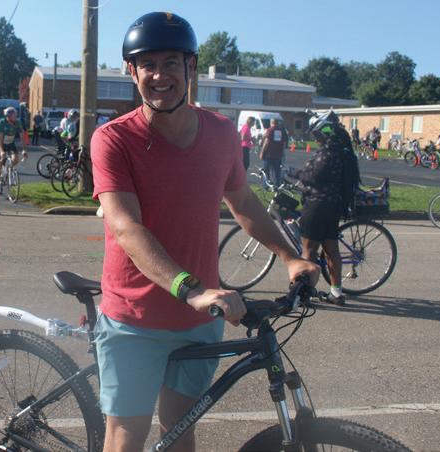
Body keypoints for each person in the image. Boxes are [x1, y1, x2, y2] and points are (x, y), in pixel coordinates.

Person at [91, 12, 319, 452]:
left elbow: (244, 203)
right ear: (131, 71)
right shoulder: (113, 139)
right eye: (148, 64)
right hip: (135, 318)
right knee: (126, 437)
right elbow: (125, 226)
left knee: (179, 431)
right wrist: (191, 288)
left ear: (191, 67)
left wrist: (290, 257)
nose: (159, 75)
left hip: (200, 320)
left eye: (171, 63)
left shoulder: (221, 133)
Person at [295, 110, 354, 306]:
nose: (315, 138)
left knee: (309, 250)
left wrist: (295, 174)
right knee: (331, 250)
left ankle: (302, 294)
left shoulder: (327, 154)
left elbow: (313, 177)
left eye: (316, 133)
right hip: (332, 207)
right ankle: (336, 293)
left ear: (323, 131)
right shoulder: (339, 151)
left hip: (317, 206)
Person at [0, 106, 27, 194]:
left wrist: (24, 150)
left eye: (16, 115)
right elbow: (0, 138)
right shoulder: (1, 123)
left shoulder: (18, 123)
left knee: (16, 159)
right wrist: (2, 151)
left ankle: (8, 170)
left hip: (10, 143)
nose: (16, 117)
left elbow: (22, 137)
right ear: (8, 116)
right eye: (14, 115)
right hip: (1, 144)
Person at [259, 118, 288, 186]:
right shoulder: (282, 131)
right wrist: (282, 152)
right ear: (277, 123)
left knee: (266, 171)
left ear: (271, 123)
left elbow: (267, 142)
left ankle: (266, 185)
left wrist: (262, 152)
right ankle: (277, 185)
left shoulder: (270, 130)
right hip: (278, 154)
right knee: (277, 171)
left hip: (269, 154)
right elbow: (284, 143)